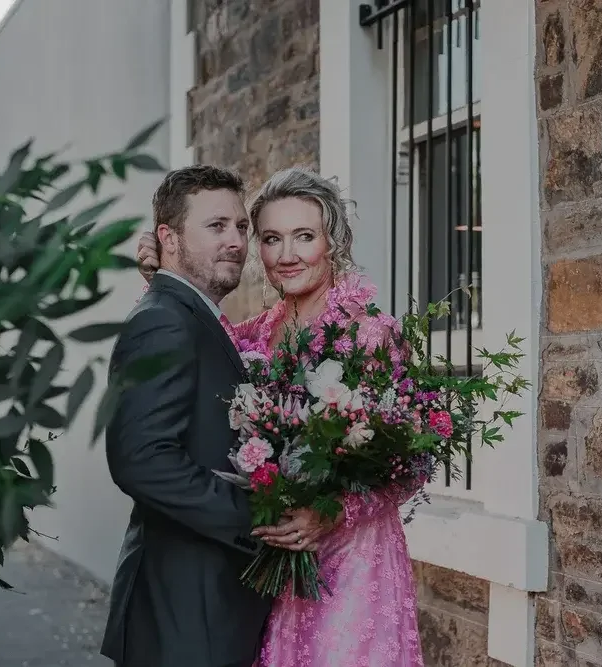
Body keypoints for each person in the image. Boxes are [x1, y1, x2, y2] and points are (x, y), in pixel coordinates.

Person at [135, 167, 425, 666]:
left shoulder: (373, 335)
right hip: (277, 567)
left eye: (303, 237)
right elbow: (186, 344)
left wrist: (330, 512)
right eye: (271, 239)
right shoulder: (250, 335)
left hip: (354, 565)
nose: (286, 255)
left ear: (333, 241)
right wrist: (163, 279)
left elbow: (412, 464)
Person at [102, 165, 328, 667]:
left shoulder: (197, 316)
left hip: (208, 609)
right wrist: (262, 518)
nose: (235, 241)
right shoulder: (164, 320)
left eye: (241, 228)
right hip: (186, 612)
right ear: (169, 238)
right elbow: (141, 460)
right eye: (215, 226)